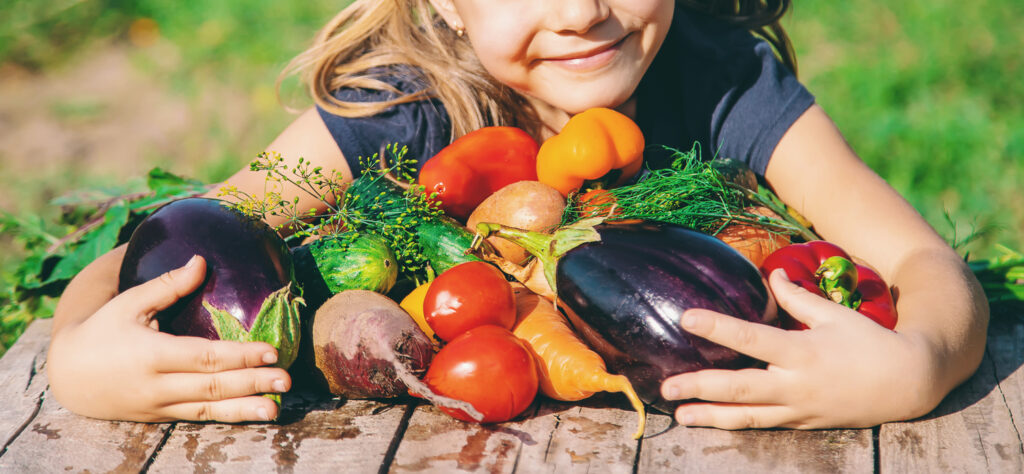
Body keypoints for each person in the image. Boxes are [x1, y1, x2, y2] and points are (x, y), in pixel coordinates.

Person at [48, 0, 989, 429]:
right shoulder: (396, 107)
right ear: (442, 8)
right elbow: (182, 231)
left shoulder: (722, 79)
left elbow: (920, 259)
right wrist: (75, 353)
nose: (582, 11)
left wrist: (921, 362)